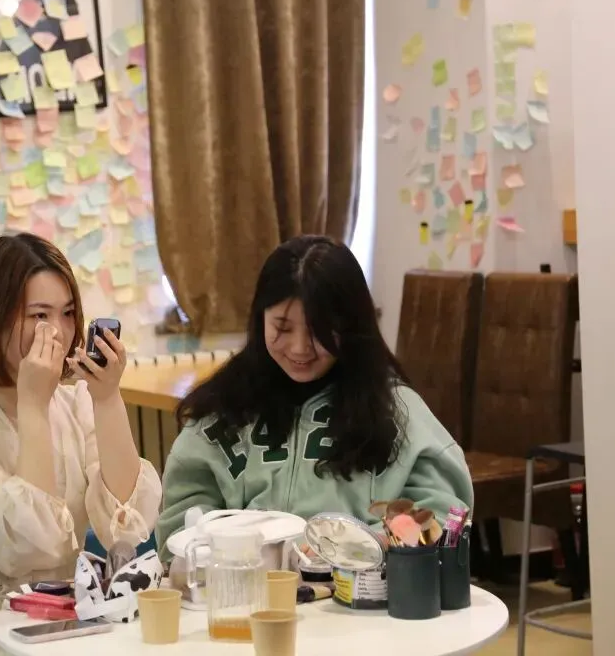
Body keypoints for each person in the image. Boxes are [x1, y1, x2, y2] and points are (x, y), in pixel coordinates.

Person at [0, 233, 161, 656]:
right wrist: (32, 404)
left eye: (68, 313)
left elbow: (124, 527)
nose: (59, 332)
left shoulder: (75, 402)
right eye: (39, 315)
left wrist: (106, 399)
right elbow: (32, 548)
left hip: (70, 620)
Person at [156, 235, 473, 558]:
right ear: (260, 318)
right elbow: (182, 516)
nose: (299, 348)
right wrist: (221, 552)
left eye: (319, 332)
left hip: (359, 587)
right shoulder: (227, 405)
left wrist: (371, 544)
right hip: (244, 585)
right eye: (282, 328)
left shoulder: (394, 410)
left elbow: (443, 515)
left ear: (351, 326)